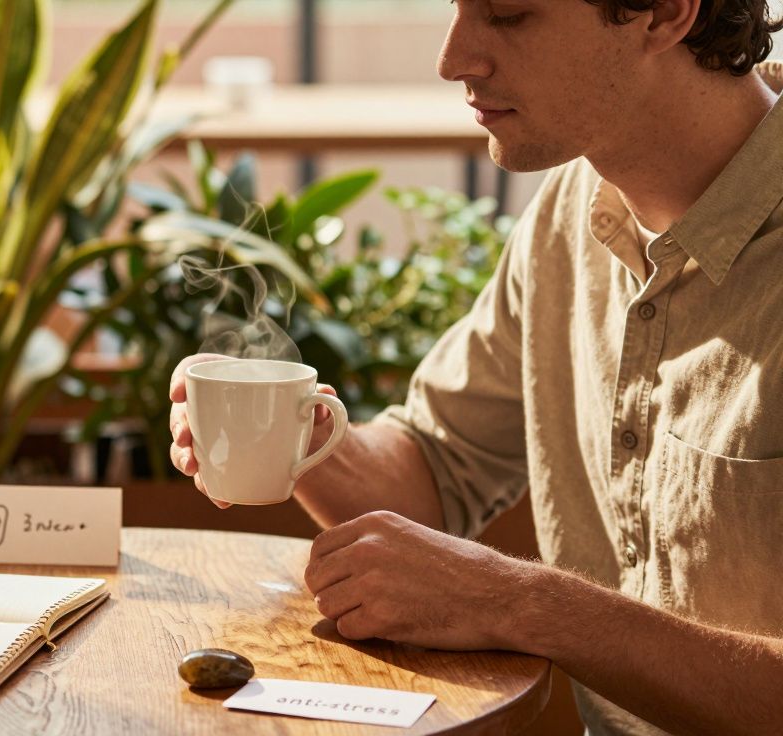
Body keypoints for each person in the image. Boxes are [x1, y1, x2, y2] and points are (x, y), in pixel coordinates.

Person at [171, 1, 783, 733]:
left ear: (663, 14)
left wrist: (522, 603)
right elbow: (432, 470)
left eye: (509, 15)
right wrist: (297, 437)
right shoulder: (569, 213)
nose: (454, 58)